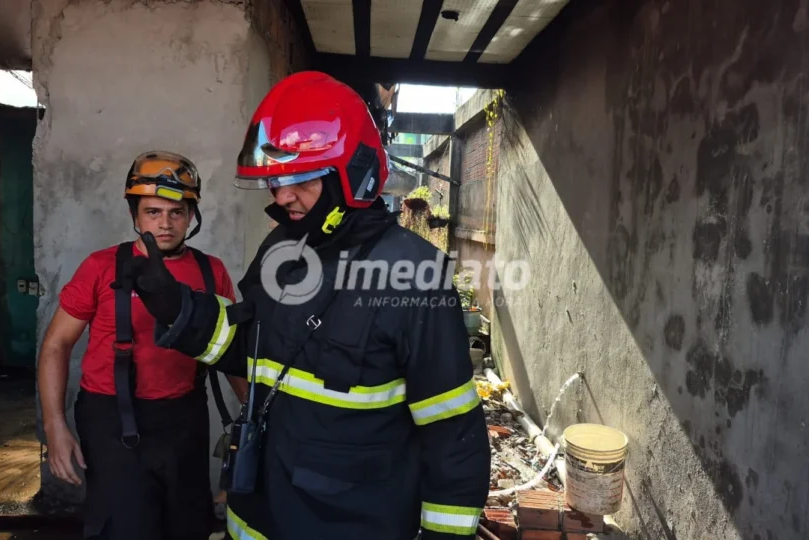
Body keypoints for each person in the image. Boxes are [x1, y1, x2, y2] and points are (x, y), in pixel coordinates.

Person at [122, 72, 491, 540]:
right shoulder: (282, 247)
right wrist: (177, 307)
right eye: (275, 181)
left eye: (298, 179)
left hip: (348, 524)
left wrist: (444, 535)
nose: (281, 196)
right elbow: (247, 347)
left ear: (351, 175)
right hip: (257, 515)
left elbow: (451, 428)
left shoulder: (414, 274)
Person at [36, 150, 246, 540]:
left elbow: (231, 354)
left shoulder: (210, 271)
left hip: (184, 418)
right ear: (135, 214)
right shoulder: (101, 267)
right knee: (127, 528)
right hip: (111, 419)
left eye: (176, 212)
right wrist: (54, 425)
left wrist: (258, 429)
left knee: (187, 526)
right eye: (153, 212)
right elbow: (56, 345)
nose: (165, 224)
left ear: (191, 216)